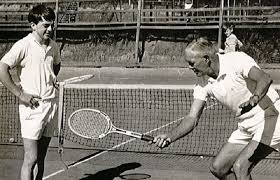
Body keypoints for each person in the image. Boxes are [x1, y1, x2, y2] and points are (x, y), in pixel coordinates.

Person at [152, 38, 280, 180]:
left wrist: (254, 98)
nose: (189, 67)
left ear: (206, 59)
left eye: (191, 63)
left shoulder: (236, 60)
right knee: (219, 168)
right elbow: (192, 118)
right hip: (246, 125)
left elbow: (265, 78)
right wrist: (170, 136)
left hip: (271, 117)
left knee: (241, 167)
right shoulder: (202, 83)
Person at [0, 4, 60, 180]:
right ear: (33, 25)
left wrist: (51, 79)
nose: (50, 29)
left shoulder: (54, 46)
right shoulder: (23, 45)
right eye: (45, 25)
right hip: (32, 108)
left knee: (40, 159)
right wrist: (21, 94)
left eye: (52, 25)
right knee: (31, 158)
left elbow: (56, 64)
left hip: (51, 105)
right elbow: (2, 68)